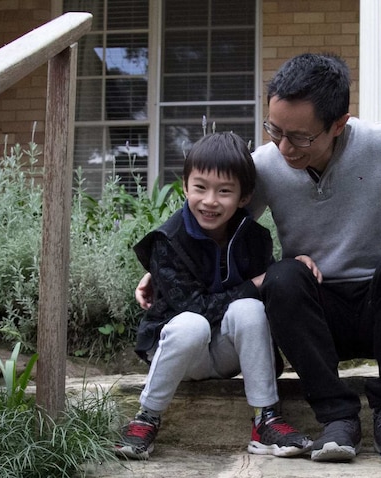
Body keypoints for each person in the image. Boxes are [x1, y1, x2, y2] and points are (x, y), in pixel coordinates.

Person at [136, 53, 381, 465]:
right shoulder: (268, 166)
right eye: (275, 130)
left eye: (300, 137)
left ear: (338, 124)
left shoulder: (378, 143)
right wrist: (162, 265)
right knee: (283, 277)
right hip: (314, 316)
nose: (284, 147)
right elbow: (210, 217)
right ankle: (337, 418)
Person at [116, 131, 312, 460]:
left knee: (250, 310)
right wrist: (257, 283)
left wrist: (288, 271)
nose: (210, 201)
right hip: (182, 354)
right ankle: (146, 417)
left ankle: (266, 418)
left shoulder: (254, 238)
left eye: (224, 191)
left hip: (225, 354)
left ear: (244, 196)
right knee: (192, 323)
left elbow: (268, 296)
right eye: (200, 187)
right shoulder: (168, 241)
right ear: (185, 186)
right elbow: (196, 308)